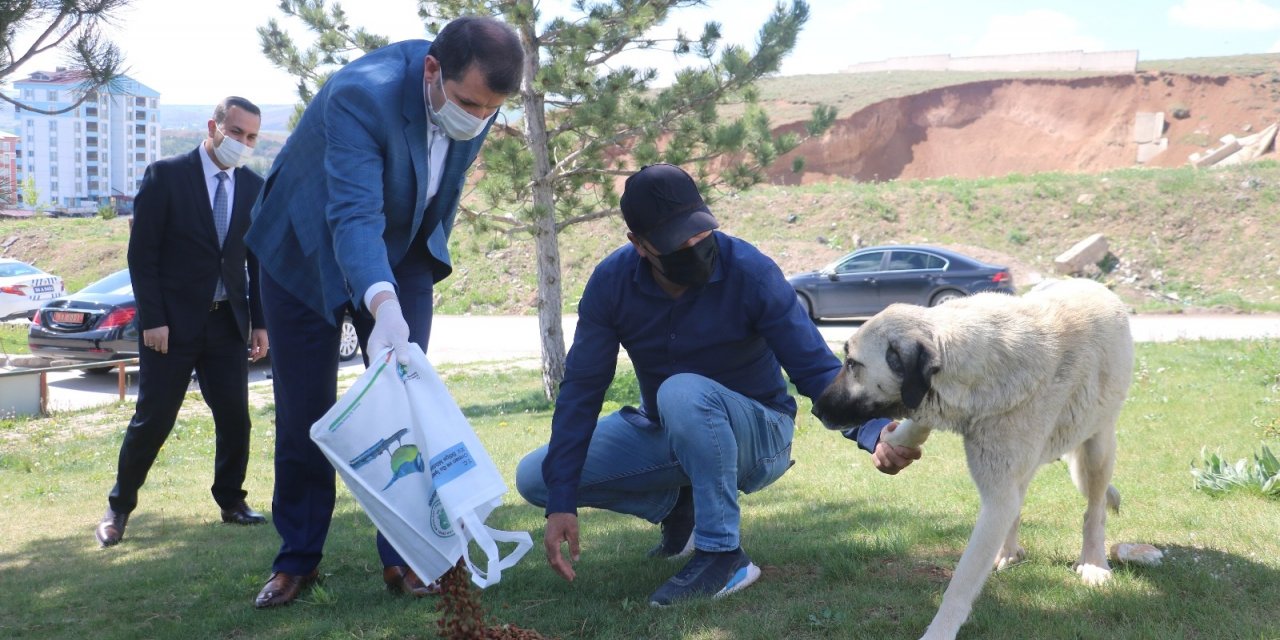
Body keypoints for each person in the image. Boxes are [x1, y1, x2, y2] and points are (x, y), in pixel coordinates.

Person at [515, 163, 921, 606]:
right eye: (676, 242)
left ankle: (723, 555)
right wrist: (561, 503)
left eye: (700, 233)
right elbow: (581, 391)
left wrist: (871, 432)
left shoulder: (750, 271)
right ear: (639, 245)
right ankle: (680, 511)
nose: (694, 247)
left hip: (760, 435)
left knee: (681, 390)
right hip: (672, 429)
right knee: (538, 476)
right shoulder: (611, 283)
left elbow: (815, 368)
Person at [243, 16, 524, 608]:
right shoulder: (359, 96)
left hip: (403, 247)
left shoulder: (477, 100)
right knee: (305, 409)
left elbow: (438, 186)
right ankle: (297, 558)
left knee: (409, 402)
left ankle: (407, 555)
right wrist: (380, 301)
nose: (478, 120)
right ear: (431, 71)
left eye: (490, 110)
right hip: (302, 246)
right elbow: (352, 216)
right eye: (470, 104)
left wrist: (402, 286)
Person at [94, 96, 270, 548]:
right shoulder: (167, 175)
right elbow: (143, 255)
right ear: (214, 126)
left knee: (236, 419)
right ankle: (119, 508)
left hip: (226, 326)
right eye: (236, 133)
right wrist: (153, 319)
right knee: (153, 419)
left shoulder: (252, 185)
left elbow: (256, 263)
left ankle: (231, 500)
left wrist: (260, 324)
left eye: (251, 137)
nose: (243, 143)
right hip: (169, 329)